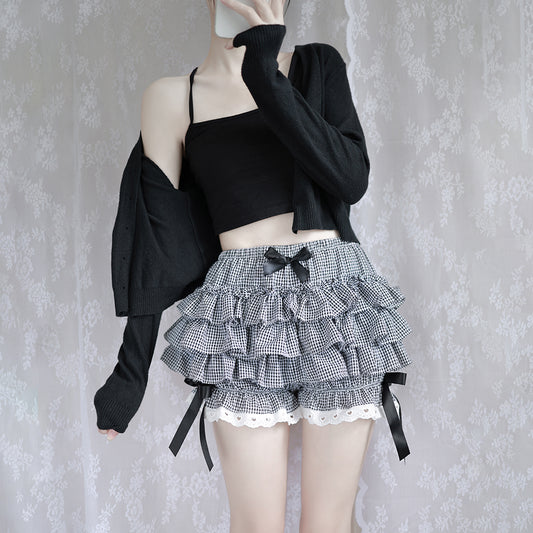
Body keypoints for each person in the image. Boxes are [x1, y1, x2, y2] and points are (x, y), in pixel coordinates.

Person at [95, 1, 413, 531]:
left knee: (328, 524)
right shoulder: (172, 98)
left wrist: (264, 72)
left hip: (335, 301)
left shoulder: (317, 65)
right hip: (240, 311)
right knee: (255, 525)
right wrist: (129, 376)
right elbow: (156, 243)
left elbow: (350, 179)